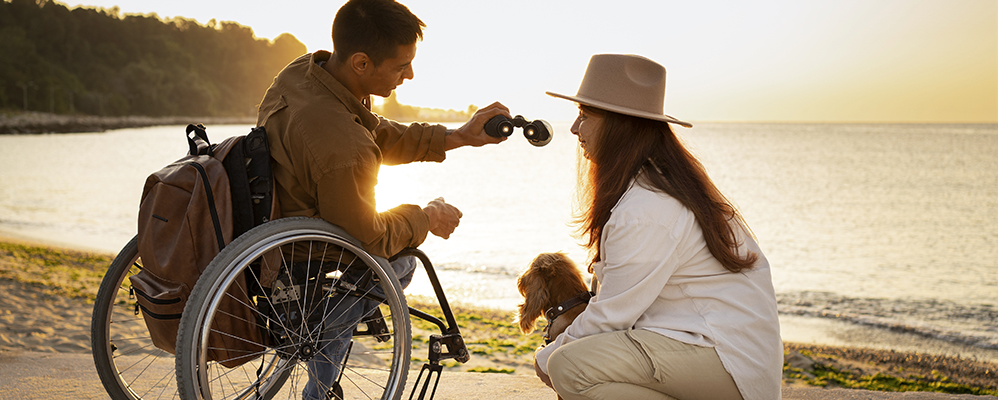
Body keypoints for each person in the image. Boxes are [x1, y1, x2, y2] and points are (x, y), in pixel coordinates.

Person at [254, 0, 510, 398]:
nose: (410, 74)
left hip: (275, 222)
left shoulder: (305, 73)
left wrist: (458, 136)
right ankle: (319, 378)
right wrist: (426, 218)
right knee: (404, 261)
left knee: (388, 249)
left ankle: (334, 317)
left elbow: (373, 135)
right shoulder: (341, 142)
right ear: (360, 63)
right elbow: (370, 236)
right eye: (400, 65)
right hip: (303, 251)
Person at [533, 54, 783, 400]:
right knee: (573, 361)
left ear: (619, 126)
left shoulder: (646, 206)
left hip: (724, 361)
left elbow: (612, 316)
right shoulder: (659, 184)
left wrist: (546, 356)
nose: (574, 129)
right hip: (723, 354)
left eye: (584, 116)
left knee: (568, 366)